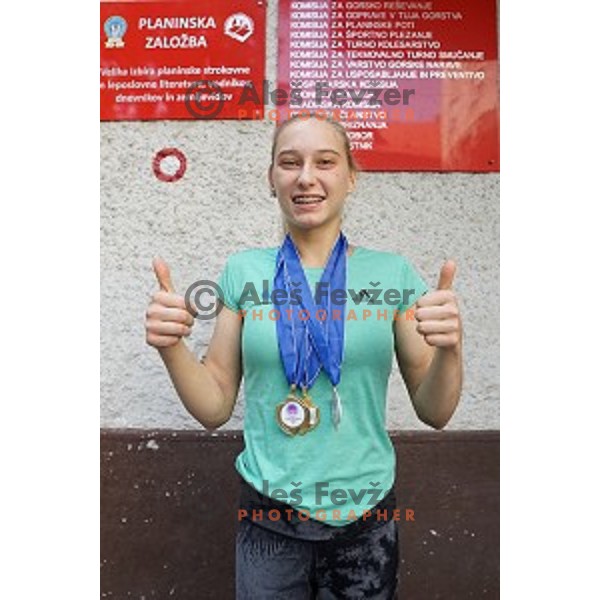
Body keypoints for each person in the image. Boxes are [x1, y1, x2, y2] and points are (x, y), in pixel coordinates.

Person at [145, 114, 463, 599]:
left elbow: (435, 410)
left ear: (351, 177)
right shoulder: (243, 271)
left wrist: (450, 349)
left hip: (365, 517)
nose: (306, 177)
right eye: (289, 163)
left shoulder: (392, 273)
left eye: (326, 162)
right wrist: (172, 348)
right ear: (271, 179)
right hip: (269, 518)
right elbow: (213, 407)